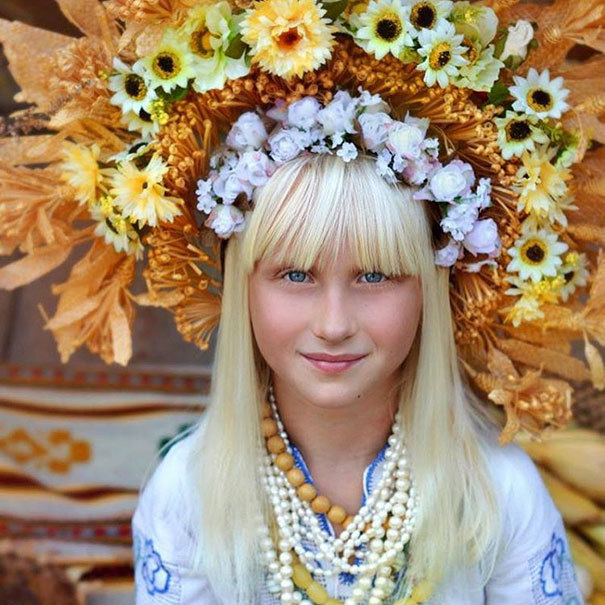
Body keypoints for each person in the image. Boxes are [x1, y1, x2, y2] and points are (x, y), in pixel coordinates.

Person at [131, 153, 584, 604]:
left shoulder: (497, 489)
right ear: (242, 290)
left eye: (373, 276)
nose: (334, 325)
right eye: (295, 274)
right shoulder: (187, 492)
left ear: (428, 290)